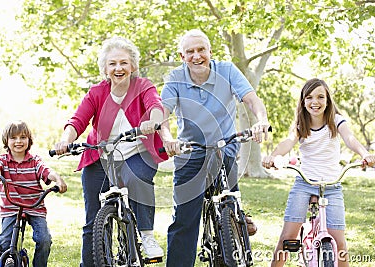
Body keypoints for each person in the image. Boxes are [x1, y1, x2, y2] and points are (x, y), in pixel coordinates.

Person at [159, 29, 271, 267]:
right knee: (185, 221)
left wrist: (261, 120)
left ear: (210, 52)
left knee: (232, 208)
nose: (196, 56)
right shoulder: (174, 79)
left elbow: (252, 99)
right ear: (182, 56)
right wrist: (168, 138)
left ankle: (237, 231)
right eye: (190, 51)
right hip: (191, 151)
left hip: (225, 147)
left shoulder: (227, 70)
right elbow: (162, 115)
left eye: (201, 50)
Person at [54, 36, 168, 266]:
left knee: (137, 179)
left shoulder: (143, 86)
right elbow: (78, 120)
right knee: (92, 220)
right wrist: (65, 140)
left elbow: (156, 106)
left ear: (133, 66)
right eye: (113, 63)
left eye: (124, 63)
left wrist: (152, 122)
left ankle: (146, 235)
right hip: (101, 156)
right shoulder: (97, 92)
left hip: (136, 153)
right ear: (105, 68)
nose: (119, 68)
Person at [262, 78, 375, 267]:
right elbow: (288, 142)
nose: (315, 102)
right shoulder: (301, 124)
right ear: (303, 101)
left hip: (332, 186)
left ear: (328, 100)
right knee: (287, 237)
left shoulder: (336, 121)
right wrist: (272, 156)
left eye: (321, 97)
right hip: (305, 184)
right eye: (309, 97)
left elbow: (350, 138)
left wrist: (365, 154)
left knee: (339, 242)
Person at [0, 120, 67, 267]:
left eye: (23, 137)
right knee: (4, 243)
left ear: (29, 140)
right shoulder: (2, 160)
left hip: (34, 206)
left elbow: (46, 171)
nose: (18, 141)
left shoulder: (34, 160)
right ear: (6, 140)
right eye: (14, 138)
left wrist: (58, 179)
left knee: (44, 240)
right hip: (11, 207)